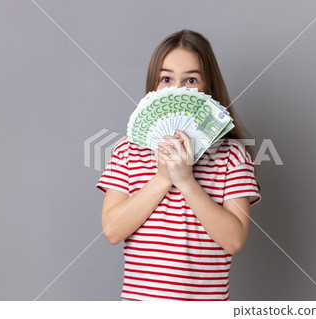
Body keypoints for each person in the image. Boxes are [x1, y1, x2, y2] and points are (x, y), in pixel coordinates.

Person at [96, 29, 262, 301]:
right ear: (154, 86)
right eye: (166, 78)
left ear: (207, 88)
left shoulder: (232, 155)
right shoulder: (127, 151)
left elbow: (234, 240)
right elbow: (112, 231)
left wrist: (186, 180)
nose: (177, 90)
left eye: (191, 80)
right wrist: (163, 177)